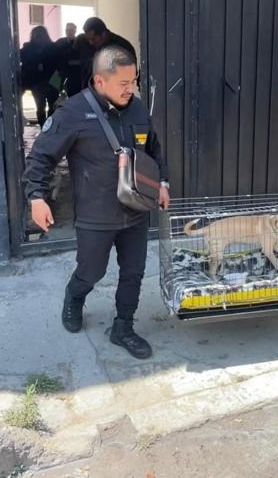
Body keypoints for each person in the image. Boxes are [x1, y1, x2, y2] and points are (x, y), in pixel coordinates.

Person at [23, 46, 170, 359]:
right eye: (123, 83)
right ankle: (74, 296)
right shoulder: (73, 113)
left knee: (133, 272)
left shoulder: (138, 109)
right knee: (92, 271)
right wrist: (36, 197)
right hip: (96, 214)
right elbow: (41, 157)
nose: (131, 89)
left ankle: (123, 327)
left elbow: (154, 150)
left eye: (134, 81)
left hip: (136, 209)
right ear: (100, 81)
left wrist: (162, 183)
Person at [19, 26, 59, 127]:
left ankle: (46, 127)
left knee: (44, 106)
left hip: (45, 81)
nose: (38, 38)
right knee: (45, 106)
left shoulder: (29, 49)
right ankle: (47, 127)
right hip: (44, 81)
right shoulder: (52, 47)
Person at [55, 22, 91, 97]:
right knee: (56, 92)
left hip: (76, 74)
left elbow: (85, 57)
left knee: (75, 93)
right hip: (62, 72)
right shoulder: (60, 42)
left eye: (71, 30)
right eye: (67, 30)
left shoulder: (81, 42)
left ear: (75, 31)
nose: (69, 32)